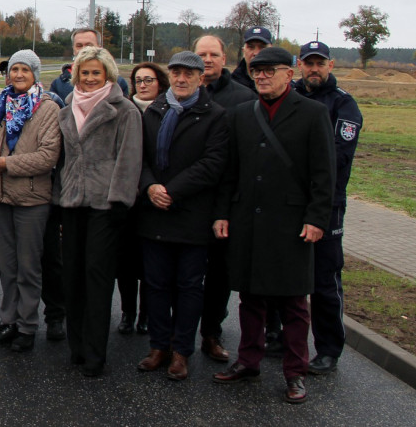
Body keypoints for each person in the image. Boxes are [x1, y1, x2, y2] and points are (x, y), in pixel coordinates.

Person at [212, 47, 335, 405]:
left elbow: (324, 174)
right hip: (249, 220)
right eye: (256, 70)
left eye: (269, 70)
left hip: (293, 223)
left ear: (289, 74)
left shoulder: (313, 114)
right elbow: (229, 172)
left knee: (294, 303)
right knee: (251, 297)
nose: (261, 76)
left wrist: (316, 219)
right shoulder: (241, 114)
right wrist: (222, 213)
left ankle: (295, 372)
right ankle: (248, 361)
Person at [134, 52, 229, 381]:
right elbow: (140, 157)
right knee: (156, 285)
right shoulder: (154, 112)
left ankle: (181, 351)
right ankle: (158, 346)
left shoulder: (215, 115)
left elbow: (212, 164)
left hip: (191, 217)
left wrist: (171, 190)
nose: (181, 79)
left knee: (189, 288)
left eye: (189, 73)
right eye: (176, 73)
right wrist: (149, 188)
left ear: (201, 78)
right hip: (154, 214)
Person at [0, 50, 61, 352]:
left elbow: (48, 156)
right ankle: (8, 321)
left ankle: (28, 326)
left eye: (24, 70)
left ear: (35, 74)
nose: (17, 75)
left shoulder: (47, 109)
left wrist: (9, 164)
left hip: (32, 200)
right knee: (6, 265)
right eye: (13, 69)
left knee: (28, 266)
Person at [53, 46, 143, 377]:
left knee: (97, 278)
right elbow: (63, 161)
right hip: (73, 202)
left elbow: (129, 159)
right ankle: (76, 347)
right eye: (84, 72)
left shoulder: (124, 110)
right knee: (73, 276)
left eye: (96, 72)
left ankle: (95, 352)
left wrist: (120, 201)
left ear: (107, 75)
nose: (90, 78)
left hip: (106, 205)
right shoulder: (66, 109)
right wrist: (59, 197)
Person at [294, 40, 362, 375]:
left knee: (324, 280)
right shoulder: (291, 95)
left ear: (330, 66)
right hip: (289, 202)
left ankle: (328, 349)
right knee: (287, 275)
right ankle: (281, 339)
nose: (314, 69)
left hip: (327, 205)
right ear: (299, 65)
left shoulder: (344, 105)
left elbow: (337, 156)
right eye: (309, 63)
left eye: (320, 63)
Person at [192, 34, 255, 363]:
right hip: (190, 198)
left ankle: (212, 333)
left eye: (213, 54)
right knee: (186, 271)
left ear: (224, 58)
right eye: (201, 54)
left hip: (225, 199)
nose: (207, 59)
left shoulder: (243, 97)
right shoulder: (183, 92)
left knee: (219, 272)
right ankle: (181, 332)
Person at [116, 62, 169, 336]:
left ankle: (147, 314)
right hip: (127, 198)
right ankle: (128, 312)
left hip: (153, 198)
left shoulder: (169, 111)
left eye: (149, 79)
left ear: (160, 83)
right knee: (125, 263)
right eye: (138, 80)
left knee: (151, 264)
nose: (144, 84)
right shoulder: (124, 109)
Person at [48, 28, 130, 102]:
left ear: (99, 48)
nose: (84, 49)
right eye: (79, 46)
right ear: (73, 49)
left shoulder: (117, 82)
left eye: (89, 45)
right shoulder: (58, 84)